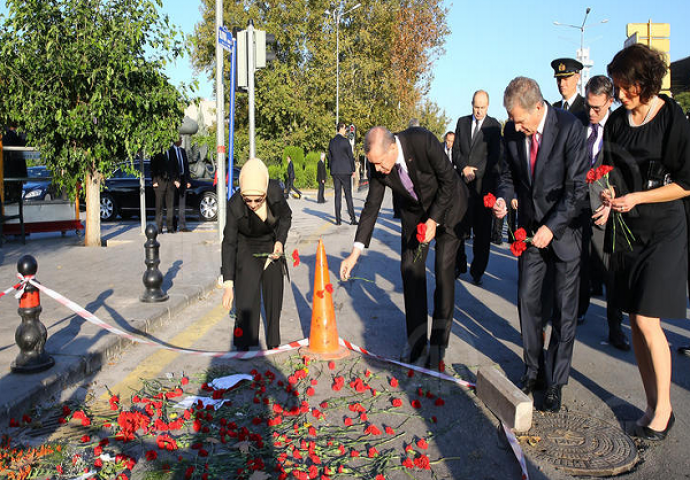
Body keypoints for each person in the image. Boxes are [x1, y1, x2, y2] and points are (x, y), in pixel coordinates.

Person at [598, 44, 690, 440]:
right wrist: (607, 193)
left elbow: (686, 184)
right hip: (628, 228)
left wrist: (638, 196)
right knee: (633, 318)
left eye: (623, 86)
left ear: (642, 82)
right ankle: (652, 403)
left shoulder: (672, 116)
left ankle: (666, 409)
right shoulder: (616, 122)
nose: (618, 94)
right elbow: (609, 171)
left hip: (665, 228)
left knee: (647, 318)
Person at [493, 77, 588, 412]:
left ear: (538, 106)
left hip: (563, 232)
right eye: (512, 120)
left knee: (564, 311)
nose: (516, 127)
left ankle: (555, 381)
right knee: (527, 301)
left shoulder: (570, 128)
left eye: (520, 120)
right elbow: (507, 176)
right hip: (531, 231)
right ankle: (533, 370)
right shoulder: (512, 131)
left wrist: (552, 225)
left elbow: (577, 188)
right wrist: (504, 200)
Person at [340, 126, 468, 370]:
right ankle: (416, 342)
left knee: (443, 271)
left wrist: (434, 220)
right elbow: (371, 206)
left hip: (449, 209)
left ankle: (438, 345)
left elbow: (449, 180)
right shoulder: (377, 164)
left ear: (392, 148)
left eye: (379, 163)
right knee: (410, 270)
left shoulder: (422, 140)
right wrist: (355, 252)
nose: (377, 170)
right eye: (373, 164)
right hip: (416, 216)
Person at [576, 75, 629, 350]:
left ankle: (615, 327)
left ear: (610, 101)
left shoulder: (620, 126)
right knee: (579, 263)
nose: (592, 113)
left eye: (598, 108)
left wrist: (612, 202)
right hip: (577, 205)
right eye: (588, 106)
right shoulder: (578, 121)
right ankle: (578, 309)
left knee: (610, 271)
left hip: (606, 208)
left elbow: (622, 169)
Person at [221, 158, 292, 351]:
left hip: (271, 244)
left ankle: (273, 344)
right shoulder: (235, 205)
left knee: (273, 292)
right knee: (246, 296)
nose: (252, 204)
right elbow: (228, 242)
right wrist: (228, 284)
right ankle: (245, 345)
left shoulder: (275, 192)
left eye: (258, 199)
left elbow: (286, 218)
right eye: (248, 199)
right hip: (247, 245)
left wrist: (280, 242)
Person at [452, 90, 502, 285]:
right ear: (471, 104)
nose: (479, 111)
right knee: (459, 227)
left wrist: (476, 171)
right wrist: (464, 167)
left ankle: (478, 269)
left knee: (482, 233)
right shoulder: (462, 122)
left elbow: (494, 156)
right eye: (476, 107)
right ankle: (459, 262)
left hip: (483, 187)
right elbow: (455, 151)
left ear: (487, 106)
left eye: (482, 108)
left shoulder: (494, 126)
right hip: (463, 185)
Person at [328, 123, 358, 225]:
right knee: (348, 195)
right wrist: (353, 169)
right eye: (345, 128)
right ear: (341, 128)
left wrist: (331, 168)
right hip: (345, 171)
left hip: (335, 171)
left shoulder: (331, 142)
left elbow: (330, 157)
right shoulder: (345, 141)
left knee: (337, 196)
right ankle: (352, 219)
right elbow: (350, 156)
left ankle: (338, 220)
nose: (346, 130)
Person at [168, 137, 191, 232]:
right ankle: (172, 226)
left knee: (182, 204)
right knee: (172, 204)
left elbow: (186, 166)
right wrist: (174, 180)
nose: (181, 141)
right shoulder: (170, 151)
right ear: (175, 140)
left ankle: (182, 226)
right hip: (173, 181)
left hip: (182, 179)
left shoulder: (182, 151)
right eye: (180, 139)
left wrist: (188, 180)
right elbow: (169, 167)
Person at [151, 149, 176, 234]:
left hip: (170, 183)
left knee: (170, 207)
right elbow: (152, 166)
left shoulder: (172, 152)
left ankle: (170, 227)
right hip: (159, 183)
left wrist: (176, 180)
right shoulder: (156, 150)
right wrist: (154, 181)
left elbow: (176, 166)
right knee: (159, 207)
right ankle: (159, 227)